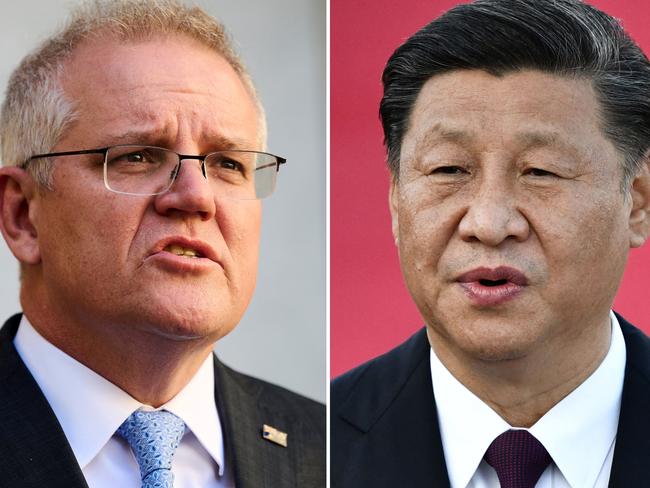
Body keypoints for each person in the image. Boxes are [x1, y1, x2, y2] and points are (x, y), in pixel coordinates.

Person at [0, 1, 324, 487]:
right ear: (23, 215)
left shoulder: (329, 451)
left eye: (228, 165)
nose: (196, 197)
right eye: (137, 156)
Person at [331, 0, 650, 487]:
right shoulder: (318, 444)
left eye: (541, 172)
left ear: (638, 203)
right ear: (397, 201)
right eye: (449, 170)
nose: (489, 223)